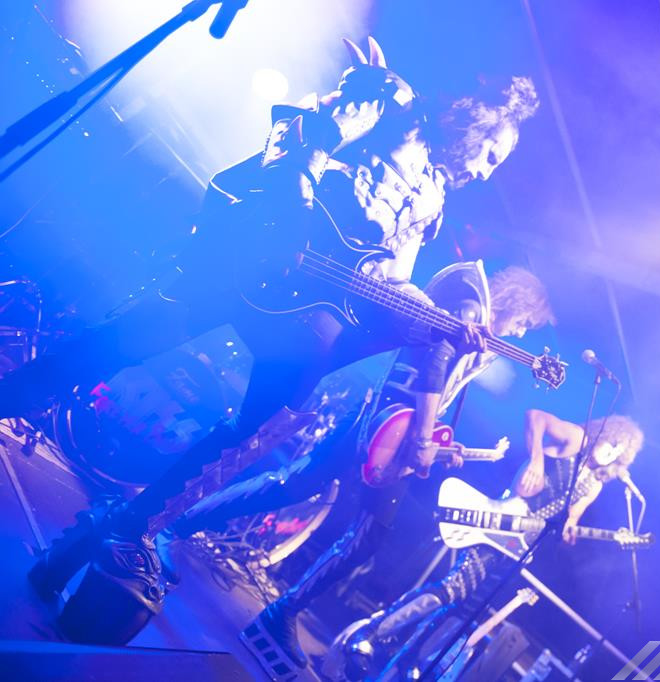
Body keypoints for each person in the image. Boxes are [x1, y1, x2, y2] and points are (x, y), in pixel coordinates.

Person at [6, 37, 539, 644]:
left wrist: (442, 321)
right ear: (475, 118)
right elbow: (299, 132)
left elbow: (390, 278)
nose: (487, 170)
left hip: (299, 311)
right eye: (492, 152)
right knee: (117, 345)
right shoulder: (395, 108)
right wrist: (295, 215)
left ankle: (132, 522)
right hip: (247, 260)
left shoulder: (435, 197)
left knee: (265, 422)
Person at [162, 264, 554, 677]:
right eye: (525, 323)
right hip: (389, 419)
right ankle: (200, 540)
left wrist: (440, 443)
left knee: (313, 493)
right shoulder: (471, 308)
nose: (520, 333)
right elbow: (432, 366)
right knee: (323, 501)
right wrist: (424, 439)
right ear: (516, 304)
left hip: (394, 422)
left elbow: (440, 383)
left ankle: (260, 594)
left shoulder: (480, 328)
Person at [329, 409, 645, 681]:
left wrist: (570, 531)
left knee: (464, 607)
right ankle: (371, 632)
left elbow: (571, 519)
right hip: (502, 519)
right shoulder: (576, 439)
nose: (611, 451)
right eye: (612, 442)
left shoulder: (594, 485)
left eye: (619, 450)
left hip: (520, 546)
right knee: (453, 589)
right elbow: (535, 417)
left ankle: (405, 663)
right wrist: (536, 459)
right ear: (606, 433)